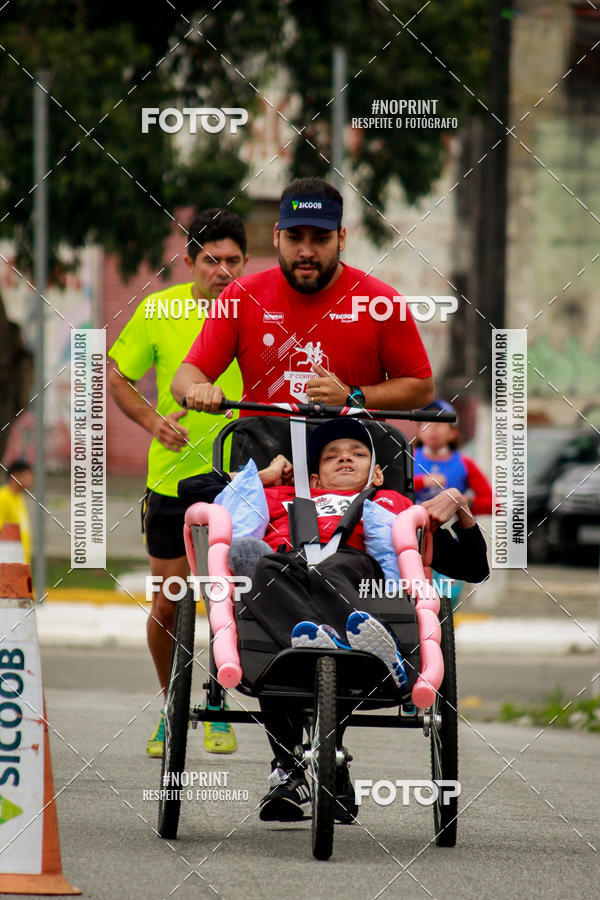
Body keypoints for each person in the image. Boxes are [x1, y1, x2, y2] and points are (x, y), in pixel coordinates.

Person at [226, 418, 489, 823]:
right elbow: (190, 493)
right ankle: (301, 764)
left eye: (358, 453)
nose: (345, 458)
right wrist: (264, 475)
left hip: (355, 575)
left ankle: (309, 758)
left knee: (330, 569)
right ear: (314, 477)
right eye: (332, 455)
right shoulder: (279, 497)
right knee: (263, 568)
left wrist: (459, 504)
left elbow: (474, 568)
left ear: (377, 474)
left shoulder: (392, 505)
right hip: (286, 581)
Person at [108, 209, 248, 758]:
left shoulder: (259, 310)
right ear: (189, 262)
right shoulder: (159, 309)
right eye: (211, 260)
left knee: (231, 604)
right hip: (171, 480)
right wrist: (152, 423)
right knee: (169, 603)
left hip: (244, 482)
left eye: (233, 260)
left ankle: (217, 702)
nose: (223, 270)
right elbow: (118, 376)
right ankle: (171, 708)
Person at [170, 176, 435, 415]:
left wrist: (353, 396)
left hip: (350, 451)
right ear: (277, 236)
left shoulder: (380, 302)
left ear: (341, 239)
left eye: (320, 239)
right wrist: (199, 391)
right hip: (265, 452)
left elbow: (422, 389)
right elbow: (184, 379)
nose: (306, 252)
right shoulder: (240, 297)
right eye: (294, 238)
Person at [413, 399, 493, 608]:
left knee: (445, 602)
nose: (432, 429)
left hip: (447, 540)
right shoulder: (407, 458)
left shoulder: (464, 463)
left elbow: (493, 503)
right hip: (413, 538)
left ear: (453, 433)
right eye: (426, 423)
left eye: (440, 423)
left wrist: (461, 504)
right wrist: (422, 482)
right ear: (418, 431)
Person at [0, 460, 33, 564]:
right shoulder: (3, 498)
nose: (31, 479)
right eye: (27, 475)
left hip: (20, 562)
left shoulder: (19, 498)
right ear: (14, 477)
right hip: (7, 564)